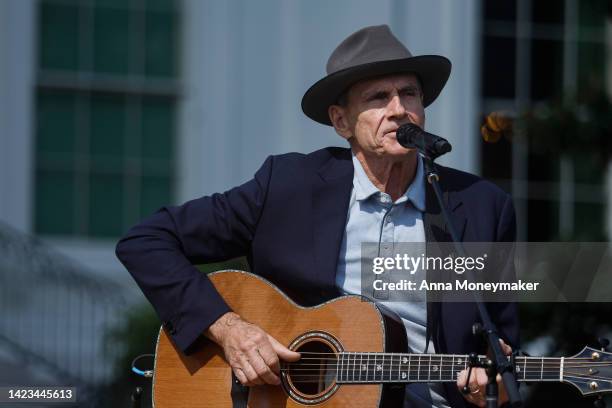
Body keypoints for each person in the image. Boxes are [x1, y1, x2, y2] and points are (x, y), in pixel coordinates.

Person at [116, 25, 518, 408]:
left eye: (409, 94)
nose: (399, 110)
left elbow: (503, 349)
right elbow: (147, 241)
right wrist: (229, 329)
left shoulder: (480, 206)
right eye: (378, 97)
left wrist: (494, 382)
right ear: (341, 121)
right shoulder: (288, 187)